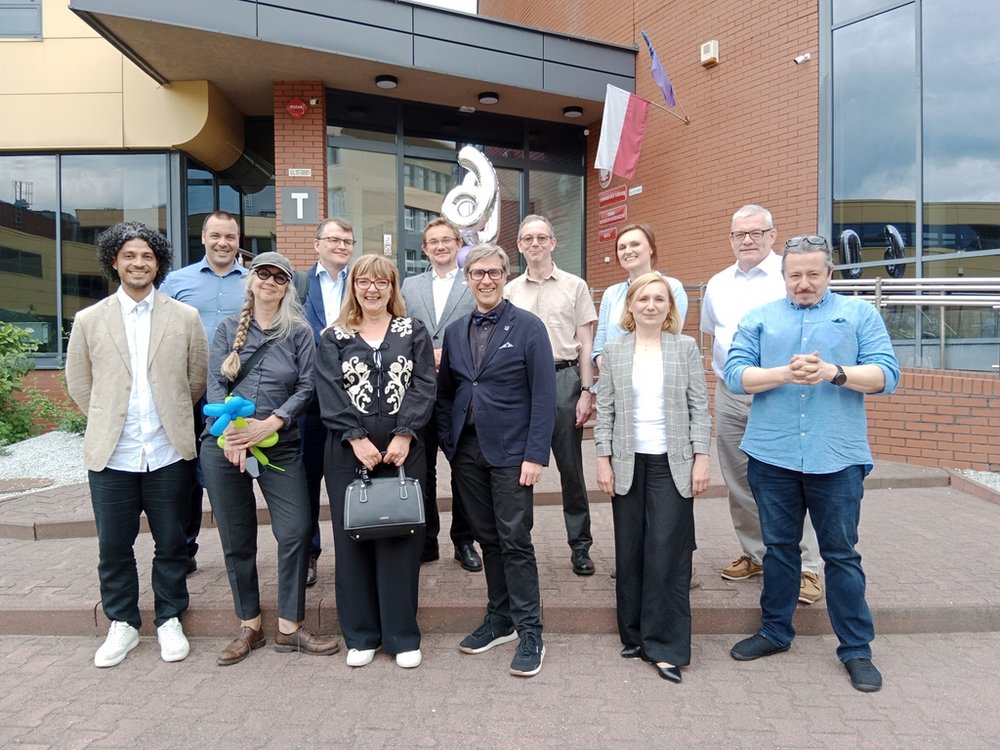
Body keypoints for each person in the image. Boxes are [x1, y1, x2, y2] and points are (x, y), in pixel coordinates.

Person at [724, 235, 900, 693]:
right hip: (773, 454)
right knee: (779, 550)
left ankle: (856, 649)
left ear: (829, 274)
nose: (803, 283)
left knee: (841, 554)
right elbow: (734, 373)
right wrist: (785, 372)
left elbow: (887, 374)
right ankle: (775, 632)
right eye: (795, 275)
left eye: (813, 274)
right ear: (783, 276)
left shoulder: (859, 314)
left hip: (837, 457)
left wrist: (833, 372)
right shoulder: (760, 317)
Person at [66, 221, 208, 667]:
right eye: (129, 255)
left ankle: (168, 618)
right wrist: (111, 418)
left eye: (147, 256)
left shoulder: (184, 317)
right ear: (114, 261)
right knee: (113, 546)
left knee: (172, 543)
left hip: (168, 452)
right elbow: (79, 383)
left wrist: (170, 415)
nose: (138, 263)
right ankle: (123, 623)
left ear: (159, 262)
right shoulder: (90, 320)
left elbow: (196, 379)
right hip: (114, 455)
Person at [201, 251, 339, 666]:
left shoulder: (298, 333)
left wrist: (273, 421)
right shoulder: (227, 329)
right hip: (226, 445)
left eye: (279, 277)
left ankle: (290, 627)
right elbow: (212, 383)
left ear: (287, 287)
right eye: (263, 274)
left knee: (296, 530)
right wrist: (228, 434)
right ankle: (249, 625)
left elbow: (307, 386)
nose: (270, 282)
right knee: (236, 537)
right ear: (251, 280)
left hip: (280, 443)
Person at [437, 243, 557, 678]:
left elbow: (544, 396)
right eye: (477, 273)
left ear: (506, 275)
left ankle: (530, 631)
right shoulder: (454, 331)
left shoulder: (528, 327)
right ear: (466, 278)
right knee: (488, 539)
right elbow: (447, 391)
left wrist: (534, 455)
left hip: (512, 454)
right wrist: (449, 444)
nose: (485, 280)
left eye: (493, 272)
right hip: (467, 453)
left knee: (515, 540)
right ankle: (500, 618)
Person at [315, 254, 436, 670]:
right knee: (355, 540)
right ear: (354, 287)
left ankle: (402, 636)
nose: (372, 289)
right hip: (349, 453)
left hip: (405, 449)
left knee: (401, 539)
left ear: (392, 287)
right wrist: (355, 437)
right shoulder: (334, 335)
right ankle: (362, 635)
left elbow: (424, 384)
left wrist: (405, 432)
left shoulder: (412, 330)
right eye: (364, 281)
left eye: (381, 282)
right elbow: (328, 391)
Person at [700, 205, 823, 605]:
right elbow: (712, 333)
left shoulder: (788, 278)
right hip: (731, 394)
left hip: (781, 393)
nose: (747, 240)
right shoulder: (717, 283)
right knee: (739, 480)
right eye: (739, 234)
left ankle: (806, 567)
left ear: (773, 235)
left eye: (756, 232)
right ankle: (757, 554)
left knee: (790, 482)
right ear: (731, 239)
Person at [594, 273, 711, 684]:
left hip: (672, 462)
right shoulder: (614, 349)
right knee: (630, 549)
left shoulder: (685, 347)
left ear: (669, 307)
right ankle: (635, 633)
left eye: (659, 298)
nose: (650, 305)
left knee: (666, 552)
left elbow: (700, 407)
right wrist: (603, 460)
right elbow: (604, 412)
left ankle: (665, 647)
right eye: (643, 298)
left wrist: (701, 458)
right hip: (627, 462)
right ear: (629, 306)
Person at [505, 214, 598, 576]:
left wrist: (587, 390)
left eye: (541, 237)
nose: (534, 244)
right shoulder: (510, 290)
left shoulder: (575, 286)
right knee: (518, 468)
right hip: (520, 385)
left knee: (571, 470)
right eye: (527, 238)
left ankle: (580, 546)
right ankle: (518, 543)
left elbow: (586, 343)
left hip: (563, 380)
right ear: (520, 245)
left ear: (553, 243)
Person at [159, 210, 249, 575]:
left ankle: (243, 549)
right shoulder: (176, 282)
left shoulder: (255, 281)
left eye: (229, 236)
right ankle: (185, 548)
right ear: (203, 237)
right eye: (216, 236)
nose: (223, 243)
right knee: (187, 470)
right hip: (192, 389)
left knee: (241, 466)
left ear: (238, 239)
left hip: (243, 391)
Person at [401, 217, 481, 572]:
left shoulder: (473, 282)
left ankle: (464, 541)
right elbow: (401, 330)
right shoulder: (409, 285)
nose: (440, 246)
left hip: (462, 389)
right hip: (419, 391)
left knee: (463, 468)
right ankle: (426, 539)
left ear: (457, 243)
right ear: (424, 248)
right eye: (432, 241)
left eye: (446, 240)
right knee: (423, 469)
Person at [300, 217, 356, 587]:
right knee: (305, 483)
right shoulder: (296, 284)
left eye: (347, 241)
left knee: (353, 481)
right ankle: (308, 554)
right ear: (317, 243)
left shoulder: (362, 282)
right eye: (333, 239)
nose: (341, 246)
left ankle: (355, 553)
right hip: (308, 403)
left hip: (354, 402)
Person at [592, 223, 688, 368]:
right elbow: (599, 347)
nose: (628, 251)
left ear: (651, 248)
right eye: (622, 247)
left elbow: (672, 338)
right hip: (614, 382)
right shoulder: (611, 294)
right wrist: (611, 374)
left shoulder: (672, 288)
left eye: (635, 244)